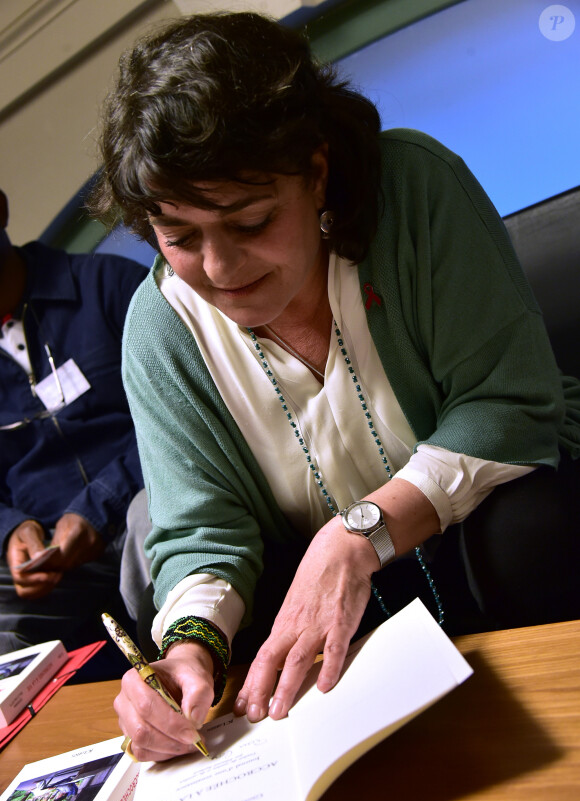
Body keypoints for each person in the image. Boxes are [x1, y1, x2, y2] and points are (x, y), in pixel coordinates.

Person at [89, 12, 580, 763]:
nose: (219, 269)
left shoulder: (416, 190)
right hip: (323, 594)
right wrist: (187, 651)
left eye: (250, 221)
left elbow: (508, 406)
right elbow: (200, 532)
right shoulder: (158, 328)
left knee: (531, 530)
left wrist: (357, 534)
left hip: (492, 534)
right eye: (180, 238)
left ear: (316, 172)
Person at [0, 188, 149, 656]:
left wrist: (99, 506)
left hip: (143, 500)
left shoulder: (111, 286)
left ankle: (187, 682)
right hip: (50, 555)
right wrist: (10, 529)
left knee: (159, 524)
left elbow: (191, 415)